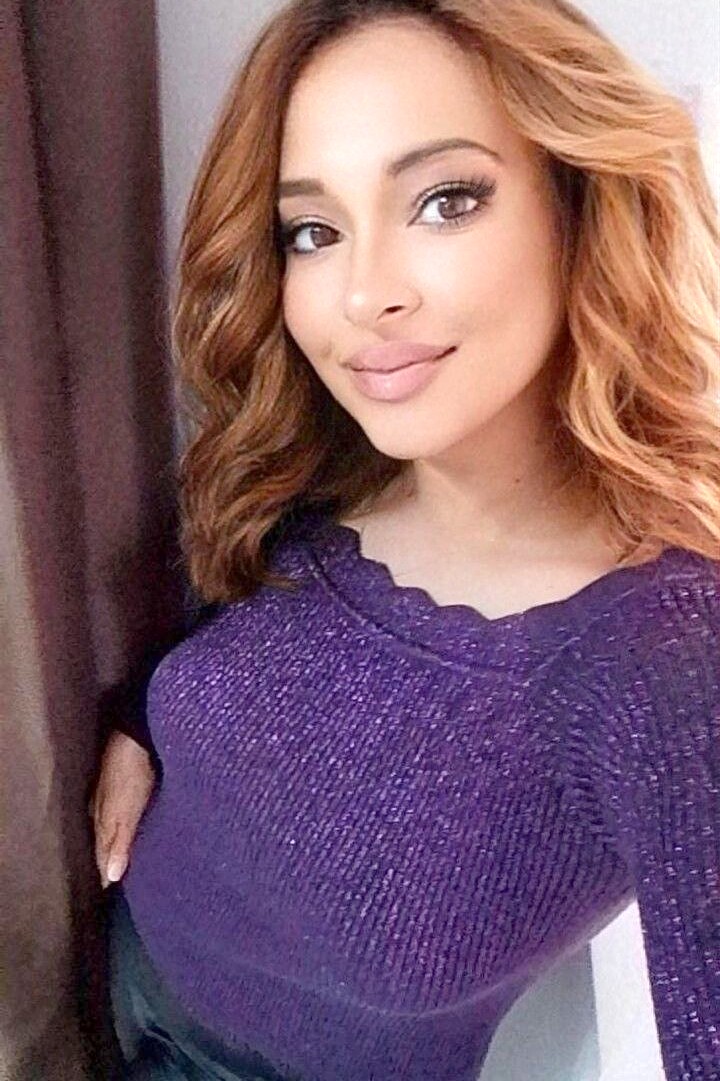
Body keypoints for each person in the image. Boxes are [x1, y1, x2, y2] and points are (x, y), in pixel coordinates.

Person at [89, 1, 720, 1078]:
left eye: (444, 200)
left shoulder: (667, 661)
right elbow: (234, 654)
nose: (363, 295)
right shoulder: (315, 467)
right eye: (313, 231)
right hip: (121, 971)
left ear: (576, 202)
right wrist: (142, 720)